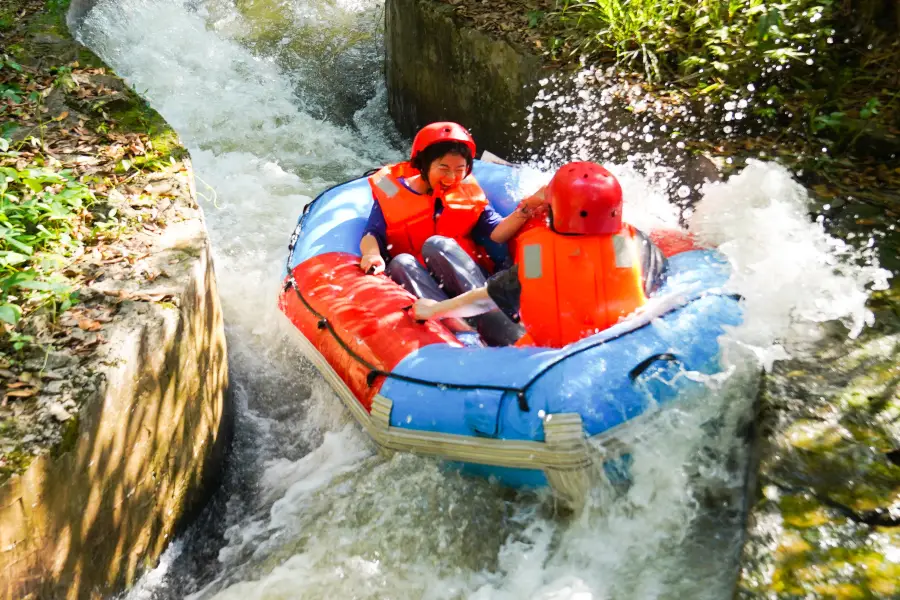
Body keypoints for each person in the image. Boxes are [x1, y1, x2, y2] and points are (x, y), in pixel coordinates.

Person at [412, 161, 668, 348]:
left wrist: (434, 310)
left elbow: (486, 299)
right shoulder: (635, 242)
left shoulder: (540, 257)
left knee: (490, 317)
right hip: (628, 346)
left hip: (551, 361)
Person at [359, 121, 542, 346]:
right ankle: (460, 330)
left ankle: (492, 317)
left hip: (468, 284)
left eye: (459, 169)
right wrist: (371, 254)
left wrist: (526, 209)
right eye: (443, 168)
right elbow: (372, 233)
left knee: (437, 244)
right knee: (400, 262)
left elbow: (496, 233)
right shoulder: (392, 190)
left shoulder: (467, 192)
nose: (451, 177)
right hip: (424, 287)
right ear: (424, 165)